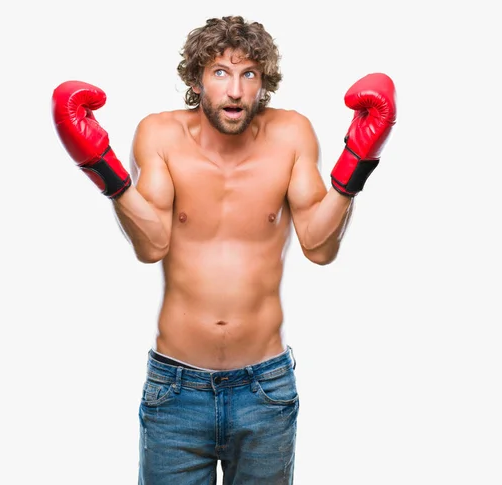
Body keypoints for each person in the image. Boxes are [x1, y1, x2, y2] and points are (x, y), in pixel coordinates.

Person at [51, 15, 396, 485]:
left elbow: (319, 246)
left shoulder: (292, 134)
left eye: (248, 73)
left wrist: (357, 163)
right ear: (197, 79)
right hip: (175, 389)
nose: (235, 90)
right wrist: (102, 169)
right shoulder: (160, 135)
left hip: (265, 390)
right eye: (220, 72)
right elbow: (152, 245)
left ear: (263, 82)